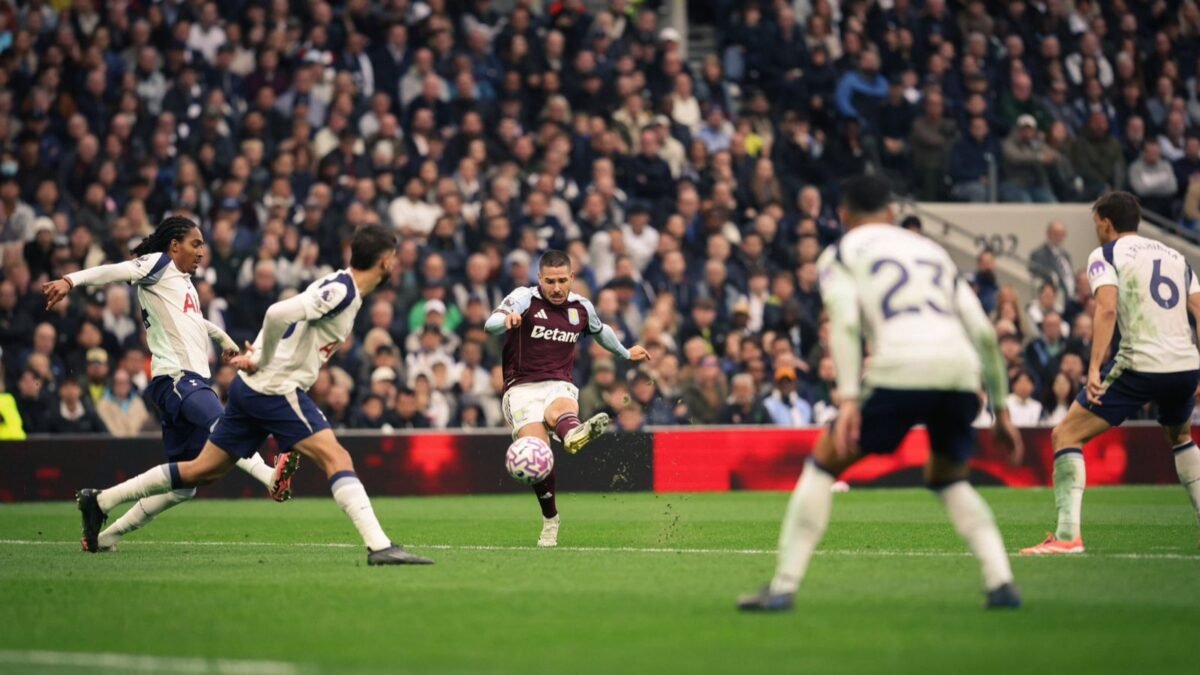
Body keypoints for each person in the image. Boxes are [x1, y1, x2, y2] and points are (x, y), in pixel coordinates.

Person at [738, 175, 1023, 612]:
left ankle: (783, 588)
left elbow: (847, 325)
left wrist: (849, 398)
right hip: (960, 373)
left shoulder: (842, 253)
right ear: (891, 214)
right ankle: (1001, 582)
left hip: (899, 368)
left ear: (843, 216)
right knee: (948, 477)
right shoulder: (933, 251)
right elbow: (984, 333)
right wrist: (1001, 407)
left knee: (823, 464)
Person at [75, 225, 434, 566]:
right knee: (336, 456)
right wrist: (261, 359)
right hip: (276, 390)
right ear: (385, 261)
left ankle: (102, 500)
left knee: (201, 471)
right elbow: (277, 312)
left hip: (250, 390)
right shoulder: (342, 291)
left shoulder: (340, 286)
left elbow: (289, 322)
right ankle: (379, 546)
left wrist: (253, 357)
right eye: (395, 258)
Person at [43, 216, 283, 552]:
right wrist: (71, 280)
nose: (202, 251)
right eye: (195, 243)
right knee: (225, 424)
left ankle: (102, 518)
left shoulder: (183, 283)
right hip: (177, 378)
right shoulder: (159, 264)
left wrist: (225, 340)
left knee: (186, 485)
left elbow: (195, 323)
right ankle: (270, 477)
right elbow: (115, 270)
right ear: (174, 246)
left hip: (190, 382)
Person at [1021, 192, 1200, 555]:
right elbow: (1198, 307)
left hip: (1141, 364)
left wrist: (1093, 368)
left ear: (1105, 221)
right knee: (1180, 435)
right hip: (1184, 365)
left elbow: (1104, 310)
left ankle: (1068, 537)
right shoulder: (1175, 256)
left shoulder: (1106, 255)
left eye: (1095, 223)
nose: (1096, 230)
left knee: (1066, 434)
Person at [485, 249, 650, 547]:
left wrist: (626, 352)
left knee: (561, 408)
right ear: (539, 279)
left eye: (563, 280)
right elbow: (491, 324)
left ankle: (574, 433)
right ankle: (551, 519)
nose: (557, 287)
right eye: (550, 281)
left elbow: (601, 331)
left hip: (558, 384)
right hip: (521, 389)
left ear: (572, 277)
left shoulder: (581, 307)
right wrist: (507, 319)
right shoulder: (524, 298)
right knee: (539, 457)